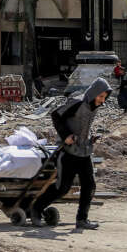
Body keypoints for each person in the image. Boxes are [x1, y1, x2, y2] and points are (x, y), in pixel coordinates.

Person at [30, 77, 112, 230]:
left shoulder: (93, 106)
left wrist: (90, 137)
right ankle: (36, 209)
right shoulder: (78, 103)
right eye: (100, 97)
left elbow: (82, 125)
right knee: (62, 188)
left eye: (104, 97)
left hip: (84, 151)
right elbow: (56, 115)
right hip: (68, 152)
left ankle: (82, 219)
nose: (102, 100)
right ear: (94, 93)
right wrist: (66, 135)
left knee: (89, 185)